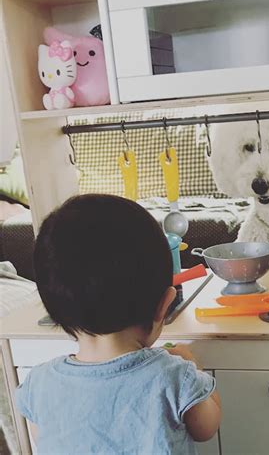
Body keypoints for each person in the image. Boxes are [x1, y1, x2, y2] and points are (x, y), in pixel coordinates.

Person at [16, 194, 221, 454]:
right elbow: (207, 428)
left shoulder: (38, 384)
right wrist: (193, 366)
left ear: (55, 310)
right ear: (163, 305)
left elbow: (44, 438)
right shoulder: (174, 376)